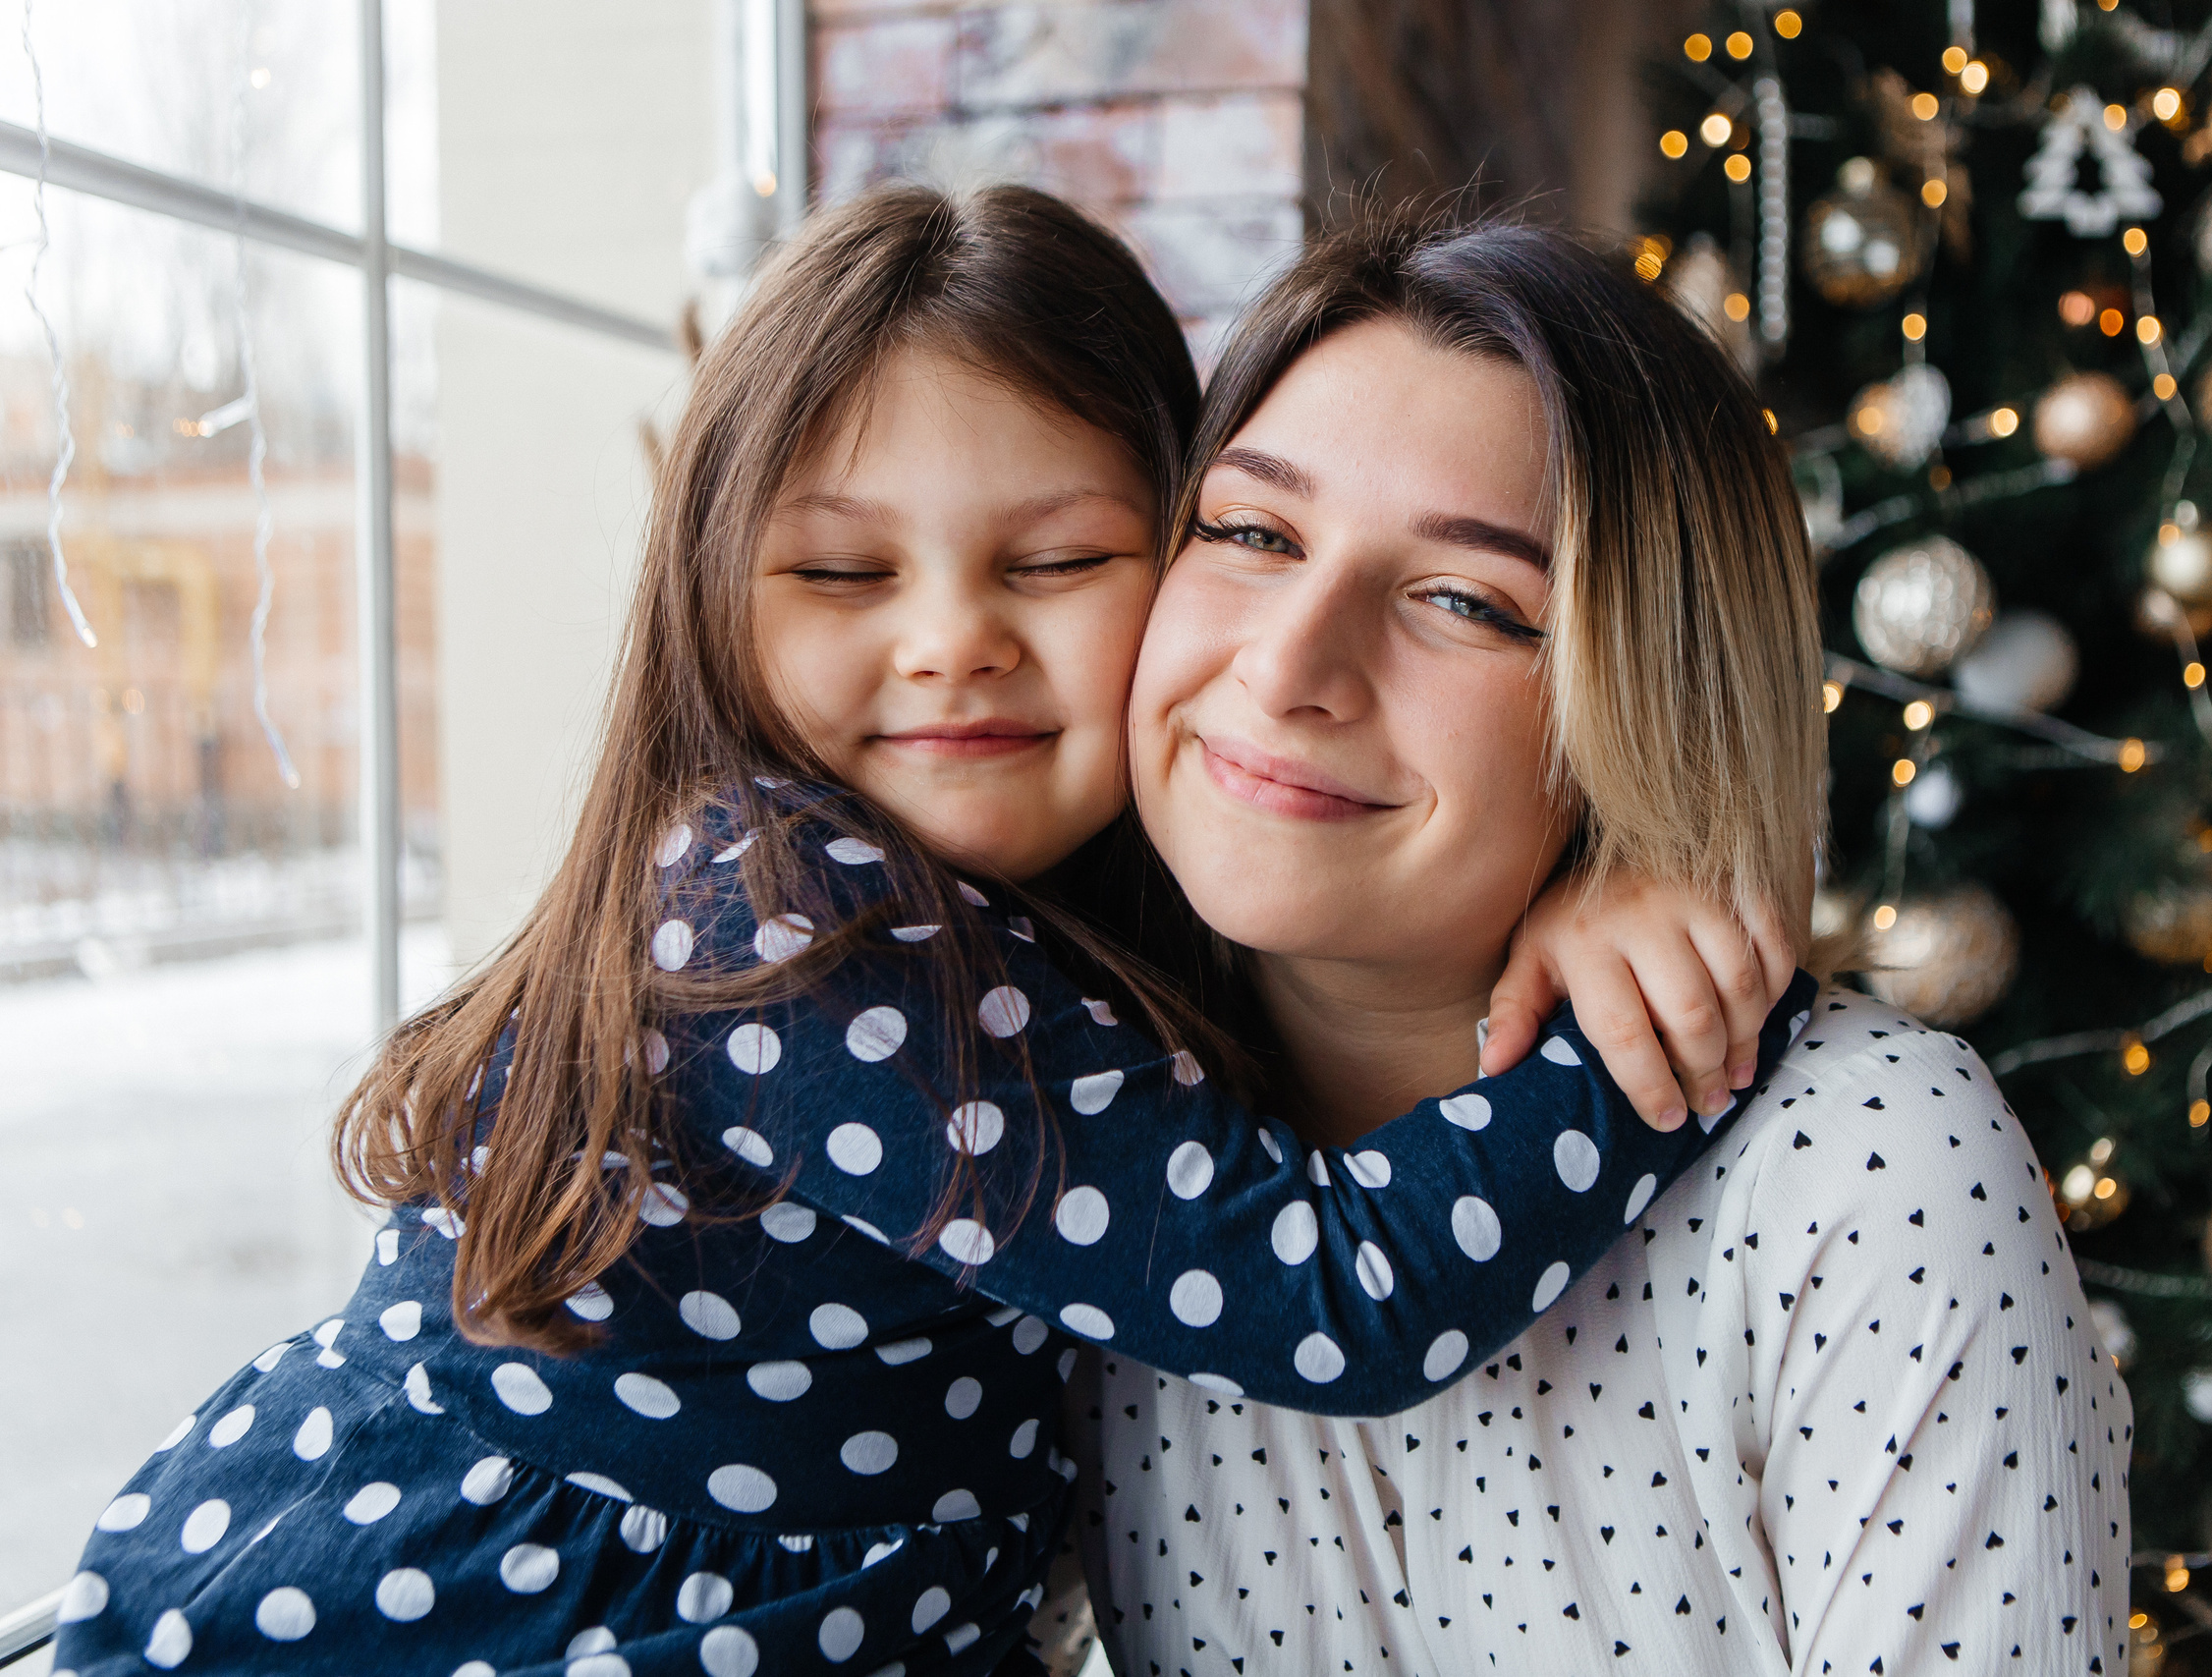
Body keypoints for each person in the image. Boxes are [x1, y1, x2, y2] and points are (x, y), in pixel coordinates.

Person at [48, 186, 1796, 1677]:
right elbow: (1336, 1291)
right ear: (712, 602)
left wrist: (1604, 852)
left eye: (1052, 564)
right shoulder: (785, 924)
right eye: (842, 574)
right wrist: (1667, 1027)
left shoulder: (1040, 924)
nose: (953, 639)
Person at [1072, 206, 2134, 1675]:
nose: (1290, 663)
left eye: (1465, 600)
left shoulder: (1863, 1169)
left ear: (1642, 703)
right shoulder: (1050, 1129)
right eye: (1252, 531)